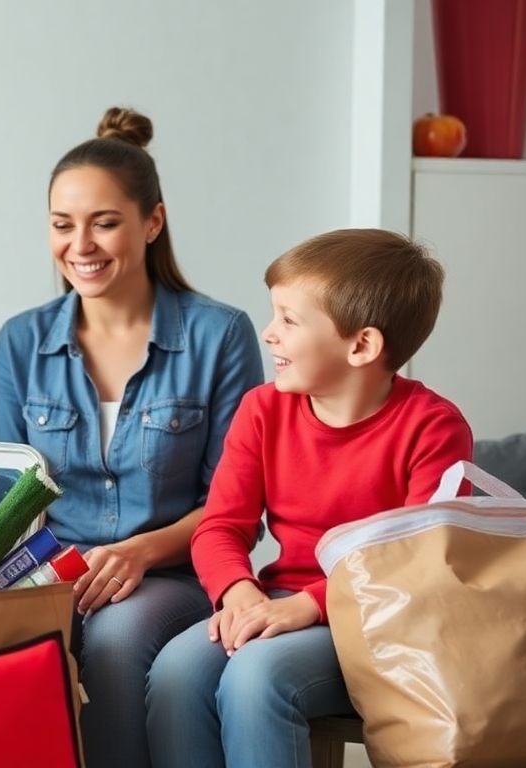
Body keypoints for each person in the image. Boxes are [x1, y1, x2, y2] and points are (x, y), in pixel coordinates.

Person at [0, 108, 264, 767]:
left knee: (114, 636)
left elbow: (238, 508)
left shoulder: (220, 335)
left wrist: (139, 552)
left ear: (153, 222)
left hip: (172, 571)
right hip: (56, 573)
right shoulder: (21, 340)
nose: (79, 245)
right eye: (62, 225)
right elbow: (9, 501)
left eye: (104, 223)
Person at [146, 229, 473, 768]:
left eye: (289, 320)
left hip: (378, 625)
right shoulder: (262, 410)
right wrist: (237, 590)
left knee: (256, 677)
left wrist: (308, 605)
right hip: (277, 603)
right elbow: (221, 526)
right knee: (178, 671)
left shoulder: (434, 429)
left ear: (361, 345)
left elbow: (414, 567)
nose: (269, 335)